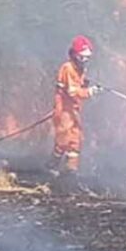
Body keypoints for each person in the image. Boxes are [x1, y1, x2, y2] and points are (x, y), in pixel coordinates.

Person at [49, 35, 102, 190]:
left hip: (74, 110)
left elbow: (78, 86)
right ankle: (51, 167)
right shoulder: (67, 68)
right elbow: (72, 92)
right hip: (64, 111)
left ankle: (70, 171)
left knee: (75, 141)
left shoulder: (79, 69)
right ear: (75, 54)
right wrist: (90, 92)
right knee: (63, 141)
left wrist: (87, 84)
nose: (85, 60)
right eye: (82, 57)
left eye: (87, 58)